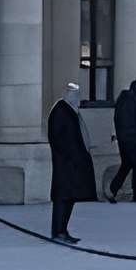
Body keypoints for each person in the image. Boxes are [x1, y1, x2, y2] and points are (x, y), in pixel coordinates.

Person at [45, 83, 98, 245]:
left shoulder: (69, 111)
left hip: (71, 164)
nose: (78, 98)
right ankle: (59, 231)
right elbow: (59, 138)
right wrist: (73, 155)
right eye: (75, 95)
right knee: (63, 198)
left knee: (68, 198)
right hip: (66, 164)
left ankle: (62, 230)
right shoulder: (61, 111)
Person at [109, 78, 136, 202]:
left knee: (126, 164)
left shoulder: (121, 100)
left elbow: (116, 120)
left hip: (124, 140)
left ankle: (113, 189)